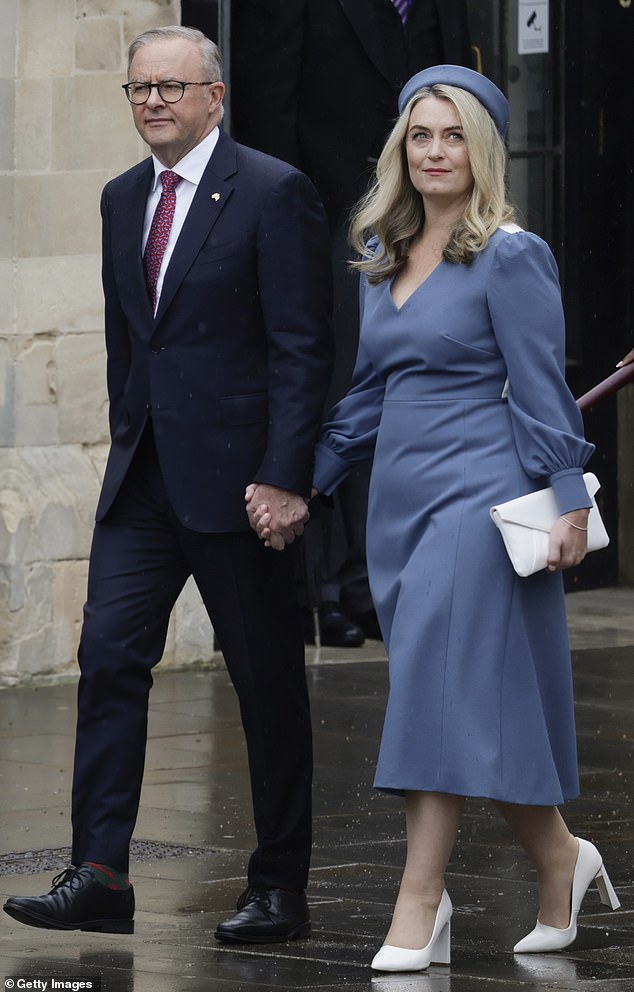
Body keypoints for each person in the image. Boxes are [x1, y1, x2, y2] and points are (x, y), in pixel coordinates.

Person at [248, 65, 621, 970]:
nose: (436, 151)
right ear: (401, 150)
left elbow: (543, 391)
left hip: (482, 499)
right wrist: (300, 480)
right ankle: (563, 859)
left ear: (482, 148)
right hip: (402, 506)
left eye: (454, 135)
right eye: (421, 136)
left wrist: (570, 499)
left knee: (430, 696)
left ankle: (420, 903)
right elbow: (372, 394)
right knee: (469, 706)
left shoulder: (510, 254)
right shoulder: (381, 257)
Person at [3, 25, 332, 944]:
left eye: (171, 87)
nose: (153, 101)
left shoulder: (274, 192)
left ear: (214, 97)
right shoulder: (120, 199)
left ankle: (279, 887)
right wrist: (124, 438)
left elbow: (305, 349)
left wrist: (285, 477)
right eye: (139, 88)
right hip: (143, 482)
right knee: (108, 662)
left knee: (265, 686)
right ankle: (100, 873)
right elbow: (128, 341)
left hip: (241, 489)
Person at [231, 0, 473, 647]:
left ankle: (372, 578)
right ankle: (323, 587)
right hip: (326, 213)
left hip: (424, 216)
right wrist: (282, 224)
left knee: (396, 384)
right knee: (336, 387)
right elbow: (272, 100)